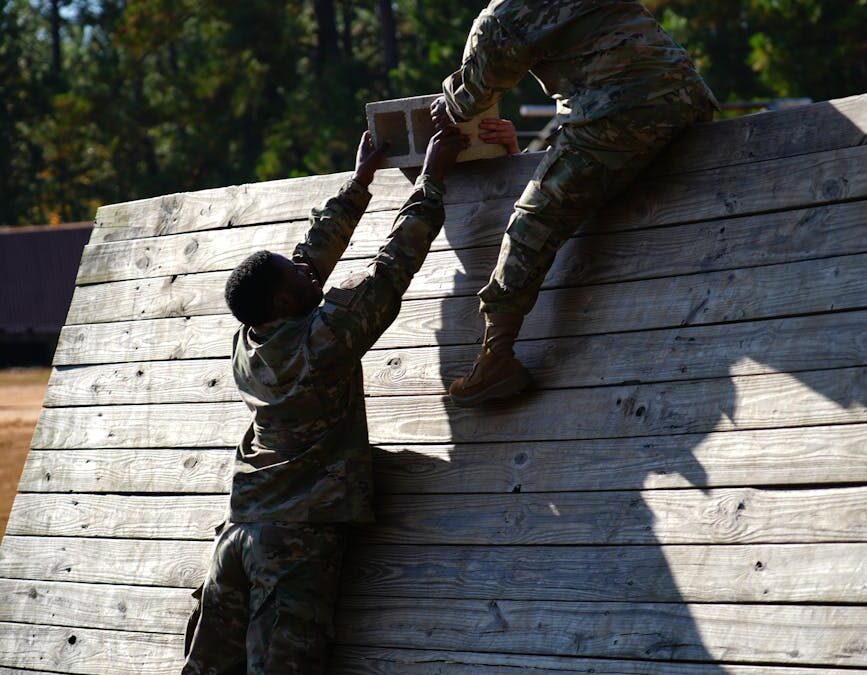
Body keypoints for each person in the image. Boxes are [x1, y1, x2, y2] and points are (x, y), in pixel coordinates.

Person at [181, 125, 469, 674]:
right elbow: (393, 267)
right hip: (291, 543)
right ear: (287, 298)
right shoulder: (324, 340)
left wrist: (360, 181)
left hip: (237, 533)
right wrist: (432, 177)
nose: (308, 266)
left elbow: (305, 259)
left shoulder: (251, 340)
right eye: (298, 274)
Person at [432, 0, 719, 407]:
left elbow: (470, 97)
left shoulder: (501, 17)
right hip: (687, 95)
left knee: (532, 220)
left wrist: (441, 106)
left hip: (619, 116)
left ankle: (496, 357)